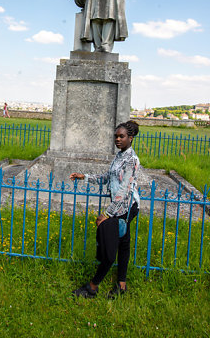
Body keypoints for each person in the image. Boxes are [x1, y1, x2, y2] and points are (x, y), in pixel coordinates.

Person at [70, 120, 140, 299]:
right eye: (116, 136)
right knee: (123, 243)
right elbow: (106, 177)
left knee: (109, 249)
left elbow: (124, 191)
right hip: (119, 206)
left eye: (121, 136)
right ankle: (121, 286)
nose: (117, 139)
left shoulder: (131, 160)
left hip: (126, 206)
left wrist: (107, 214)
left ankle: (92, 287)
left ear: (130, 138)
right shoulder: (119, 157)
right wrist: (84, 176)